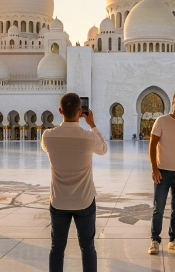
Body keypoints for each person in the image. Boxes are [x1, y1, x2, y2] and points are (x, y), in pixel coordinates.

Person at [41, 93, 108, 272]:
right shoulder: (88, 137)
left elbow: (45, 146)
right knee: (87, 248)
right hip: (84, 200)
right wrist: (92, 125)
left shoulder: (48, 136)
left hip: (59, 201)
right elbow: (103, 149)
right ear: (80, 112)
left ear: (60, 110)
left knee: (57, 248)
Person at [148, 90, 175, 254]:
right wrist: (154, 168)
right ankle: (155, 240)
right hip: (163, 172)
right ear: (172, 103)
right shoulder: (162, 121)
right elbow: (152, 145)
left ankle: (173, 239)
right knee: (158, 208)